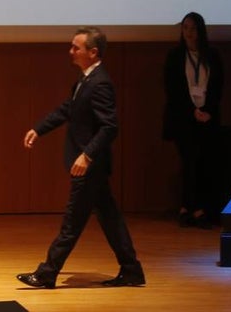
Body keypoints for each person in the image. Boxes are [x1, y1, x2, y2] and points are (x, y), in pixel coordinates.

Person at [16, 27, 145, 290]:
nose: (70, 51)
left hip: (90, 166)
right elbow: (68, 109)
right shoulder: (86, 79)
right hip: (89, 165)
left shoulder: (100, 83)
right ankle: (131, 270)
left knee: (72, 222)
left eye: (76, 47)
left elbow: (110, 126)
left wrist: (86, 155)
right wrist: (39, 129)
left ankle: (47, 273)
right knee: (110, 218)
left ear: (93, 52)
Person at [162, 12, 224, 227]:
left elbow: (217, 87)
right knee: (189, 162)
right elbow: (172, 90)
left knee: (204, 163)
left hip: (207, 117)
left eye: (193, 28)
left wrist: (207, 110)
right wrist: (192, 111)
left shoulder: (212, 56)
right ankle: (191, 208)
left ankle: (191, 207)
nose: (189, 32)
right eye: (185, 28)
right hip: (183, 119)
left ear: (200, 31)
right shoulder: (175, 56)